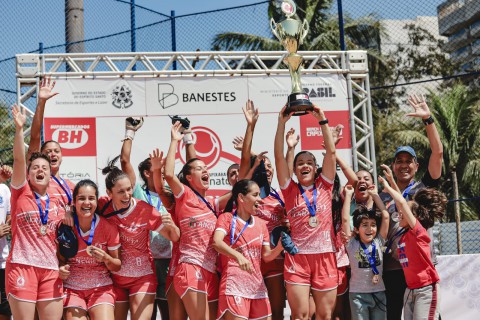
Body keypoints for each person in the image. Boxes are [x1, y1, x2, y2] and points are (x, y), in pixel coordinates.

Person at [380, 94, 443, 320]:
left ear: (416, 165)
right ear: (394, 165)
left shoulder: (425, 188)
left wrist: (428, 119)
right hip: (393, 268)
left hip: (421, 267)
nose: (404, 165)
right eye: (400, 161)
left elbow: (438, 153)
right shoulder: (384, 194)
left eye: (409, 161)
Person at [274, 104, 337, 320]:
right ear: (295, 169)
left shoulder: (325, 185)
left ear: (316, 167)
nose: (304, 165)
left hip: (325, 255)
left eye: (309, 162)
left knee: (325, 315)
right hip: (298, 257)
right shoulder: (289, 189)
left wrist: (322, 119)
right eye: (300, 163)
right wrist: (281, 123)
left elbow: (331, 151)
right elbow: (279, 158)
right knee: (299, 315)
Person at [164, 121, 231, 320]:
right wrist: (175, 141)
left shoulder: (213, 203)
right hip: (190, 267)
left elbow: (239, 189)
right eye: (199, 169)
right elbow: (168, 174)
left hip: (211, 270)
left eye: (206, 168)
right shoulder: (184, 195)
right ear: (188, 177)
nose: (205, 171)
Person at [98, 159, 180, 320]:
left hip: (143, 276)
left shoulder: (145, 210)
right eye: (121, 191)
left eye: (129, 189)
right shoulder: (102, 206)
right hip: (114, 278)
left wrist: (173, 226)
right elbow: (79, 206)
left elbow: (174, 237)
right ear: (109, 193)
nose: (127, 195)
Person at [235, 100, 293, 320]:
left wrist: (290, 148)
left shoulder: (279, 196)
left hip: (275, 259)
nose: (268, 169)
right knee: (253, 314)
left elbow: (285, 169)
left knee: (277, 312)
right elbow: (244, 160)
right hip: (253, 259)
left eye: (270, 167)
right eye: (264, 165)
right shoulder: (247, 193)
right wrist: (251, 126)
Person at [6, 104, 65, 320]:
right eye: (35, 168)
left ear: (51, 174)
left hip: (50, 269)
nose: (40, 170)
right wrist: (20, 129)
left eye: (45, 168)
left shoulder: (59, 201)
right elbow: (20, 160)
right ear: (28, 174)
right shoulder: (20, 191)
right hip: (22, 266)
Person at [119, 117, 173, 320]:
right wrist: (130, 132)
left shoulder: (170, 195)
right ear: (146, 172)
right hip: (147, 263)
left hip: (169, 259)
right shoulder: (138, 194)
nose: (160, 167)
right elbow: (124, 161)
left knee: (168, 314)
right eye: (155, 166)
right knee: (146, 316)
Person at [213, 179, 285, 320]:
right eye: (255, 195)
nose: (260, 199)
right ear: (241, 197)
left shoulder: (261, 224)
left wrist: (280, 247)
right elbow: (216, 242)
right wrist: (238, 256)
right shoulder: (227, 218)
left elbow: (267, 256)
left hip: (257, 287)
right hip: (234, 285)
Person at [381, 180, 446, 320]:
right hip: (410, 290)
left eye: (404, 211)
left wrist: (388, 187)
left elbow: (402, 203)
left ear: (414, 217)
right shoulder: (404, 237)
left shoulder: (418, 233)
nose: (400, 212)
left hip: (426, 289)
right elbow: (401, 204)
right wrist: (392, 182)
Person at [59, 179, 121, 320]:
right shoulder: (65, 226)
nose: (87, 202)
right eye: (81, 198)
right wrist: (61, 269)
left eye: (91, 198)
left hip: (101, 289)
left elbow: (117, 265)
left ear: (96, 202)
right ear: (74, 202)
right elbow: (61, 260)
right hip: (72, 289)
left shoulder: (108, 228)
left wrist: (106, 258)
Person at [342, 182, 389, 320]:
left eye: (373, 225)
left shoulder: (379, 241)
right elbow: (345, 220)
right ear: (356, 229)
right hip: (358, 295)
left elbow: (386, 216)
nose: (370, 229)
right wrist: (348, 196)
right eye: (365, 225)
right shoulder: (352, 244)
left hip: (379, 292)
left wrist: (375, 195)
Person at [27, 77, 75, 212]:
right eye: (48, 152)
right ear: (41, 156)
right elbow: (35, 137)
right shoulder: (36, 179)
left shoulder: (71, 186)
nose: (52, 154)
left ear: (62, 156)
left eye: (56, 151)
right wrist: (41, 102)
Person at [0, 164, 12, 320]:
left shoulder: (4, 189)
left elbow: (9, 214)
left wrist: (8, 223)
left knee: (5, 308)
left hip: (3, 260)